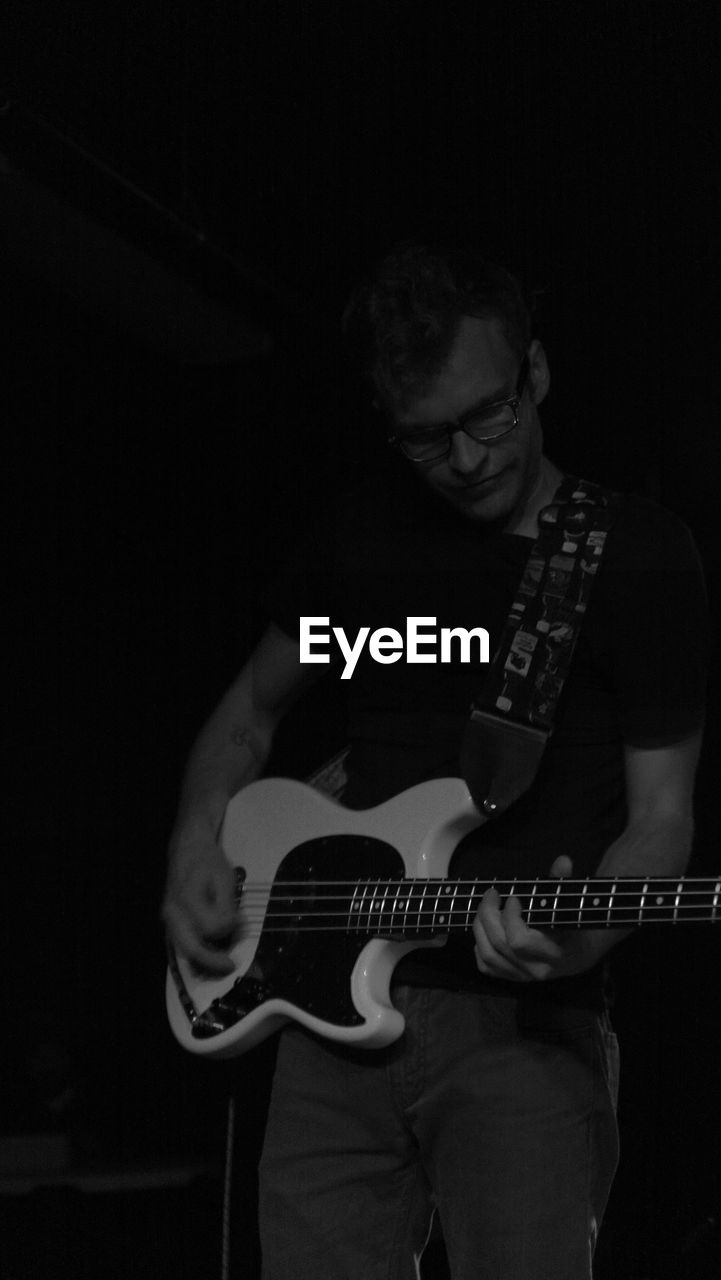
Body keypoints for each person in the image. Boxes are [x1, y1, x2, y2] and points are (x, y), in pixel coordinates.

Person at [162, 244, 708, 1279]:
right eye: (425, 436)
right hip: (320, 1015)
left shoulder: (630, 553)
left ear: (535, 373)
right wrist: (195, 834)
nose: (465, 458)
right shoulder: (365, 539)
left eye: (488, 414)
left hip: (521, 1034)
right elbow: (248, 715)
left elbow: (661, 821)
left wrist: (586, 940)